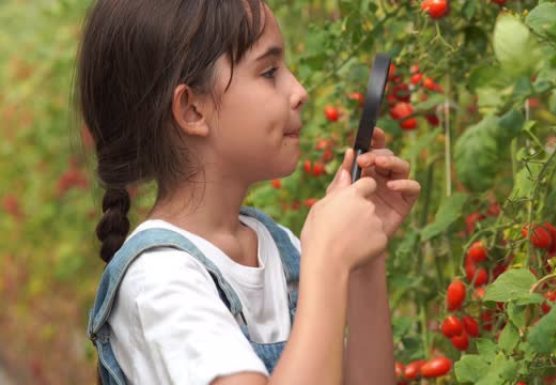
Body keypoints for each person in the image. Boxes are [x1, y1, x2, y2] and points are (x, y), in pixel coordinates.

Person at [77, 1, 421, 385]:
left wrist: (361, 264)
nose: (299, 91)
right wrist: (328, 261)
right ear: (192, 109)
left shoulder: (279, 251)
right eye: (270, 72)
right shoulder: (159, 282)